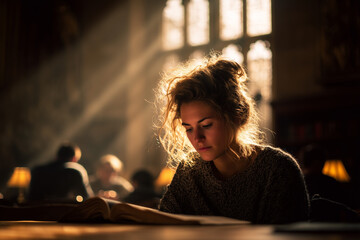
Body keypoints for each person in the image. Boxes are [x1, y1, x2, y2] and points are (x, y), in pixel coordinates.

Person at [154, 54, 310, 224]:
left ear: (237, 116)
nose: (197, 138)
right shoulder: (189, 170)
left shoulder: (277, 169)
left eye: (206, 125)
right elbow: (164, 224)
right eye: (188, 128)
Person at [28, 142, 93, 203]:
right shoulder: (76, 171)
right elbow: (87, 198)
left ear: (56, 156)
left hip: (37, 213)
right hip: (65, 213)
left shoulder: (37, 170)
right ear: (74, 159)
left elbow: (30, 197)